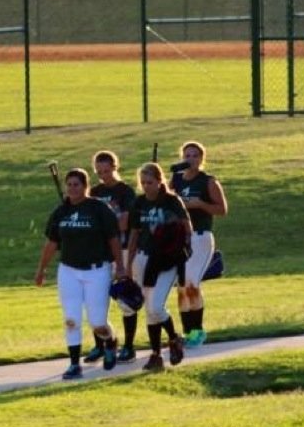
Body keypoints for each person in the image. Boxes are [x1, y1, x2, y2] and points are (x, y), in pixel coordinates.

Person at [35, 168, 125, 380]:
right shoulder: (61, 212)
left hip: (97, 270)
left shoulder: (98, 209)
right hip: (69, 270)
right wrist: (41, 269)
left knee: (97, 322)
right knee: (71, 318)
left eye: (77, 184)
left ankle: (110, 341)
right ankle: (74, 364)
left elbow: (113, 239)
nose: (73, 188)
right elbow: (51, 243)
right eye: (70, 185)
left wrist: (120, 266)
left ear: (86, 186)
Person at [127, 163, 190, 372]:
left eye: (150, 182)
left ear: (159, 181)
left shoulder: (171, 201)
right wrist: (128, 264)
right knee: (148, 310)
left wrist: (179, 245)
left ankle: (174, 338)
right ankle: (155, 354)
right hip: (144, 258)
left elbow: (186, 228)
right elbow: (134, 233)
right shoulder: (139, 203)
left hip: (166, 259)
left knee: (155, 307)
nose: (147, 187)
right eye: (143, 183)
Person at [170, 141, 228, 347]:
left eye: (195, 156)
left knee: (192, 283)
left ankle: (198, 331)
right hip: (179, 238)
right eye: (187, 155)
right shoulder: (176, 179)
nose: (191, 159)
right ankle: (187, 332)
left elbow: (221, 209)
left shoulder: (208, 181)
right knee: (182, 287)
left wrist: (200, 204)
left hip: (200, 237)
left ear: (202, 159)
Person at [86, 151, 138, 364]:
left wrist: (102, 225)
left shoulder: (125, 192)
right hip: (100, 253)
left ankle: (129, 346)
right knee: (96, 301)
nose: (103, 176)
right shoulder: (94, 192)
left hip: (123, 250)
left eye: (107, 171)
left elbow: (125, 222)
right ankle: (101, 345)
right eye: (99, 172)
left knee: (126, 300)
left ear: (115, 168)